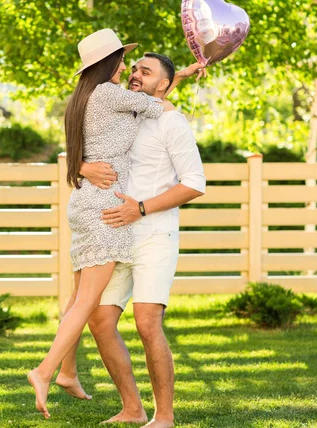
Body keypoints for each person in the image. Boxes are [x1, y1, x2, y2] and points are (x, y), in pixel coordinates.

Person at [27, 29, 172, 419]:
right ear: (106, 63)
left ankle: (69, 373)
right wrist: (168, 91)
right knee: (89, 302)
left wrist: (178, 77)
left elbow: (144, 99)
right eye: (121, 60)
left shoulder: (82, 98)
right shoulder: (109, 94)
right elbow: (158, 107)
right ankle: (44, 371)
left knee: (77, 299)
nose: (125, 67)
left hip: (85, 203)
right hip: (105, 208)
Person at [61, 53, 207, 427]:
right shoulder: (121, 110)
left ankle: (165, 416)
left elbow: (194, 184)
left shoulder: (172, 122)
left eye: (146, 71)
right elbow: (90, 147)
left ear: (162, 85)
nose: (134, 74)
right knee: (99, 320)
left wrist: (140, 208)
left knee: (146, 322)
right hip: (113, 232)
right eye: (134, 69)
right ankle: (132, 408)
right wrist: (80, 165)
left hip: (153, 233)